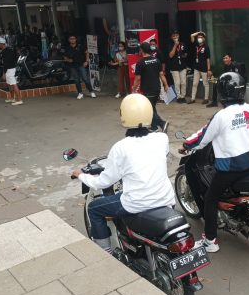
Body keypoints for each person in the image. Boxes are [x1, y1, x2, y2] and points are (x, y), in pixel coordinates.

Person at [72, 93, 175, 252]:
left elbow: (103, 182)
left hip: (136, 203)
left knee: (93, 208)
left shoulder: (120, 148)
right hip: (166, 199)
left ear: (123, 115)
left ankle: (106, 252)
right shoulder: (161, 138)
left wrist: (81, 175)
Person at [180, 72, 249, 253]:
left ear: (222, 92)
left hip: (231, 168)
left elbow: (203, 138)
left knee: (210, 198)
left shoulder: (222, 116)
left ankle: (210, 242)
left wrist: (186, 145)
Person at [132, 40, 169, 132]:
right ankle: (154, 126)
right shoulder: (156, 60)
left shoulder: (140, 63)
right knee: (152, 107)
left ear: (142, 50)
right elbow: (161, 74)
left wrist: (133, 89)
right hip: (157, 88)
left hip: (148, 90)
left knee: (148, 108)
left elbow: (137, 78)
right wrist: (166, 85)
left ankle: (162, 123)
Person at [62, 34, 96, 100]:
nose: (72, 40)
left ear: (76, 39)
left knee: (85, 79)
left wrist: (86, 61)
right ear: (69, 40)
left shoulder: (80, 46)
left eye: (73, 38)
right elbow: (64, 57)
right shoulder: (67, 48)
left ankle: (91, 91)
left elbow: (87, 52)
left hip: (81, 65)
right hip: (72, 66)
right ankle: (80, 93)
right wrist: (68, 60)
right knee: (76, 80)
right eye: (71, 39)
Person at [0, 37, 22, 106]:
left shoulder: (5, 51)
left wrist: (4, 73)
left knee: (13, 84)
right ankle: (12, 98)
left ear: (1, 44)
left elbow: (6, 63)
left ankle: (19, 100)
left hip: (10, 69)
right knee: (10, 84)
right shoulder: (8, 50)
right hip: (10, 69)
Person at [188, 31, 212, 104]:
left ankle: (206, 99)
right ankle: (192, 99)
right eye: (198, 37)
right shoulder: (196, 44)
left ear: (204, 39)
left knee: (205, 83)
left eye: (201, 37)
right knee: (195, 83)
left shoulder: (206, 47)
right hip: (196, 68)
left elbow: (208, 59)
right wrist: (199, 32)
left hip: (204, 68)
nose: (199, 38)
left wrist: (208, 69)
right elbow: (191, 35)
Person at [168, 30, 188, 103]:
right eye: (173, 36)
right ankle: (178, 97)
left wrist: (184, 55)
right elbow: (170, 55)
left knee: (183, 82)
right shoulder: (170, 44)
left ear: (178, 36)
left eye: (176, 35)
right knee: (177, 83)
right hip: (174, 67)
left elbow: (185, 53)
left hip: (182, 66)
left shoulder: (182, 44)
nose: (175, 37)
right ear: (171, 37)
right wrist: (175, 45)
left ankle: (183, 97)